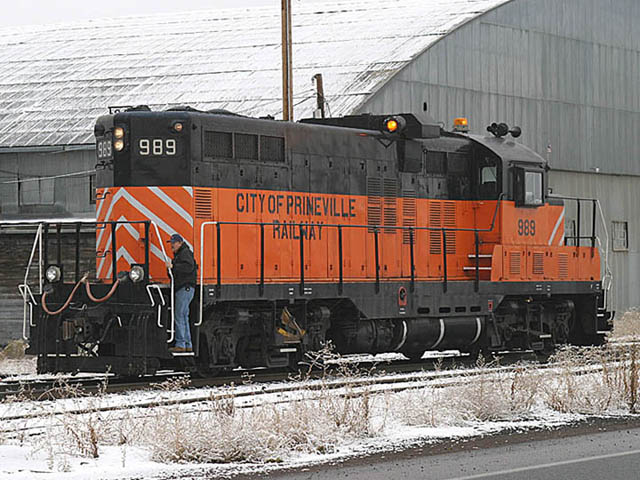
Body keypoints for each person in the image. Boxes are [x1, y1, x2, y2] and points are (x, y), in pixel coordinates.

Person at [165, 234, 197, 353]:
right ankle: (187, 344)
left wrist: (173, 266)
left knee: (179, 315)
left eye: (174, 243)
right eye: (171, 243)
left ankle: (181, 344)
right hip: (185, 288)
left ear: (180, 243)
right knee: (183, 316)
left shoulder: (185, 253)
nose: (172, 245)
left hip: (184, 288)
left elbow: (188, 267)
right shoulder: (181, 254)